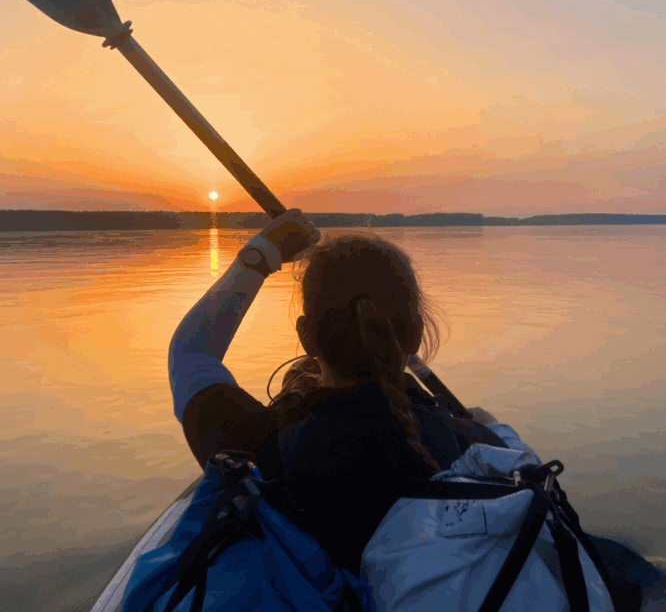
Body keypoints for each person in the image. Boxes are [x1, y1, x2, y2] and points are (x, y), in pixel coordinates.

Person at [169, 208, 508, 574]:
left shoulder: (255, 449)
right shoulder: (479, 450)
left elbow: (191, 352)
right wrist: (485, 426)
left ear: (306, 337)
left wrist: (262, 254)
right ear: (416, 334)